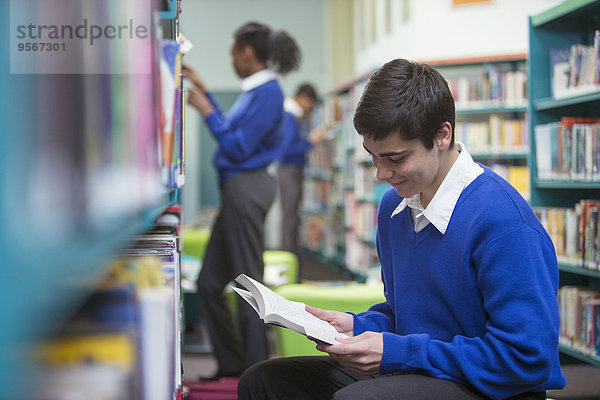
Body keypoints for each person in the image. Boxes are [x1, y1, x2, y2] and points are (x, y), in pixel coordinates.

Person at [237, 58, 566, 399]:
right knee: (264, 381)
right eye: (372, 156)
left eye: (395, 159)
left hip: (493, 387)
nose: (380, 174)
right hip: (423, 370)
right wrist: (357, 325)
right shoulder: (393, 207)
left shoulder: (504, 222)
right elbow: (407, 316)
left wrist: (398, 353)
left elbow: (527, 358)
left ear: (442, 135)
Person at [182, 21, 300, 380]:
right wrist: (207, 95)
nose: (232, 60)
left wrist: (205, 110)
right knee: (208, 283)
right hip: (237, 190)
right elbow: (233, 130)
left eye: (233, 53)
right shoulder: (255, 91)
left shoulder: (269, 94)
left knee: (248, 284)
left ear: (247, 53)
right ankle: (233, 364)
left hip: (246, 189)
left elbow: (236, 146)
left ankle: (256, 372)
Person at [277, 83, 325, 256]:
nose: (310, 107)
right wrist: (310, 142)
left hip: (290, 169)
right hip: (289, 169)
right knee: (290, 215)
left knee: (291, 214)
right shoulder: (290, 116)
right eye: (310, 103)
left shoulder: (291, 115)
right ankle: (289, 257)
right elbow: (287, 149)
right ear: (303, 98)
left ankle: (290, 255)